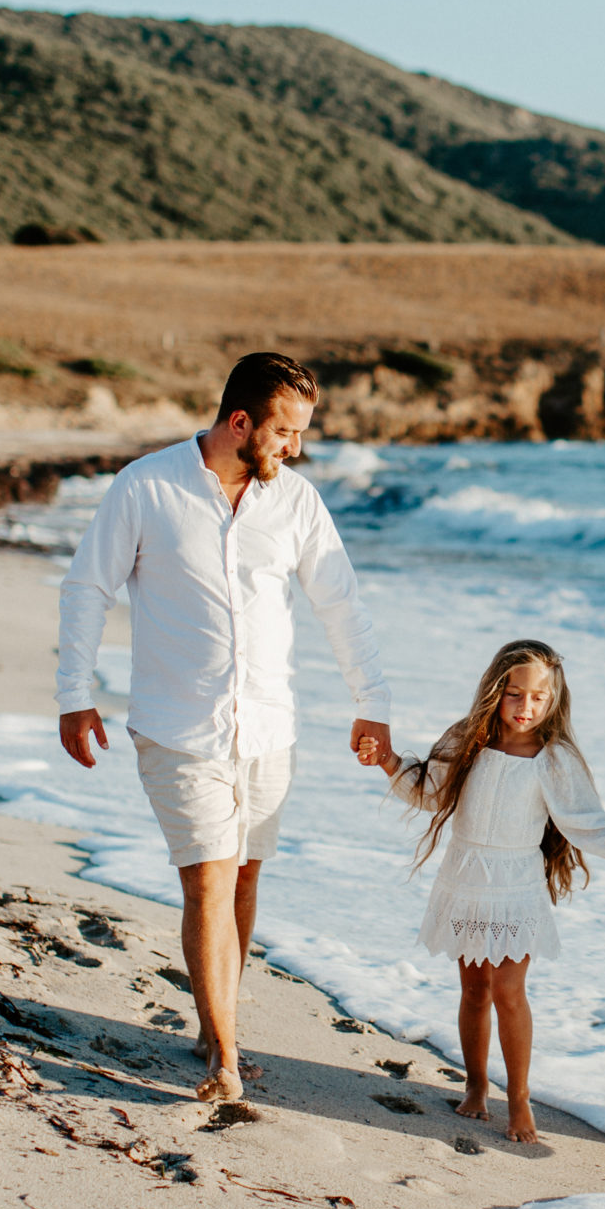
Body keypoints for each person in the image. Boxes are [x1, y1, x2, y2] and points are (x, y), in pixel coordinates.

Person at [56, 352, 395, 1103]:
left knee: (242, 877)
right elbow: (88, 586)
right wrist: (73, 693)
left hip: (270, 729)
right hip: (178, 727)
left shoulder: (296, 502)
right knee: (208, 877)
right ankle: (226, 1058)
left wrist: (370, 700)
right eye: (284, 431)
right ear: (239, 422)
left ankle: (216, 1025)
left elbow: (340, 602)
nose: (294, 448)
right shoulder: (147, 485)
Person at [356, 639, 605, 1144]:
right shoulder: (466, 741)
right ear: (494, 690)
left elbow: (585, 820)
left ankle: (520, 1100)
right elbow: (429, 789)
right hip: (465, 882)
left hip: (515, 887)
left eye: (538, 697)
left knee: (509, 992)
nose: (525, 707)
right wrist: (387, 759)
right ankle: (476, 1086)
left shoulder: (554, 759)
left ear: (554, 701)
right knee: (473, 991)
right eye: (514, 694)